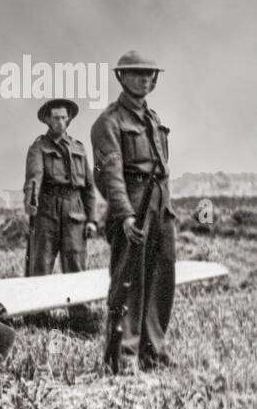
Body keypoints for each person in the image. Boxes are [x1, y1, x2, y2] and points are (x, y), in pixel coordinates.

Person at [90, 51, 175, 373]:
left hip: (159, 203)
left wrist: (164, 207)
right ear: (121, 78)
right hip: (133, 203)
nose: (146, 79)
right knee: (129, 282)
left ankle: (153, 352)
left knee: (161, 280)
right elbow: (109, 173)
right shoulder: (109, 122)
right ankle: (123, 357)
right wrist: (124, 215)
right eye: (138, 73)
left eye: (151, 74)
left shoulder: (152, 118)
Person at [23, 98, 98, 276]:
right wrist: (30, 205)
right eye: (56, 118)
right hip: (47, 212)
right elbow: (34, 180)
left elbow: (89, 187)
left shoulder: (79, 148)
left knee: (76, 268)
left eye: (64, 118)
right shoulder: (39, 147)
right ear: (47, 120)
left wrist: (92, 220)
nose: (61, 122)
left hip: (75, 212)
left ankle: (79, 305)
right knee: (40, 267)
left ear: (69, 119)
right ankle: (40, 304)